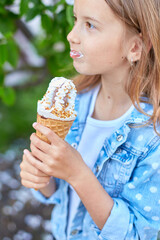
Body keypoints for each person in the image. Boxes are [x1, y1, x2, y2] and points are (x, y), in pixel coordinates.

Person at [20, 0, 160, 239]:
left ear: (135, 47)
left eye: (90, 25)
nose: (71, 36)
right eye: (75, 20)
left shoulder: (152, 136)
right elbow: (61, 193)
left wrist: (78, 174)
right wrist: (42, 179)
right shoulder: (74, 103)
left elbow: (138, 233)